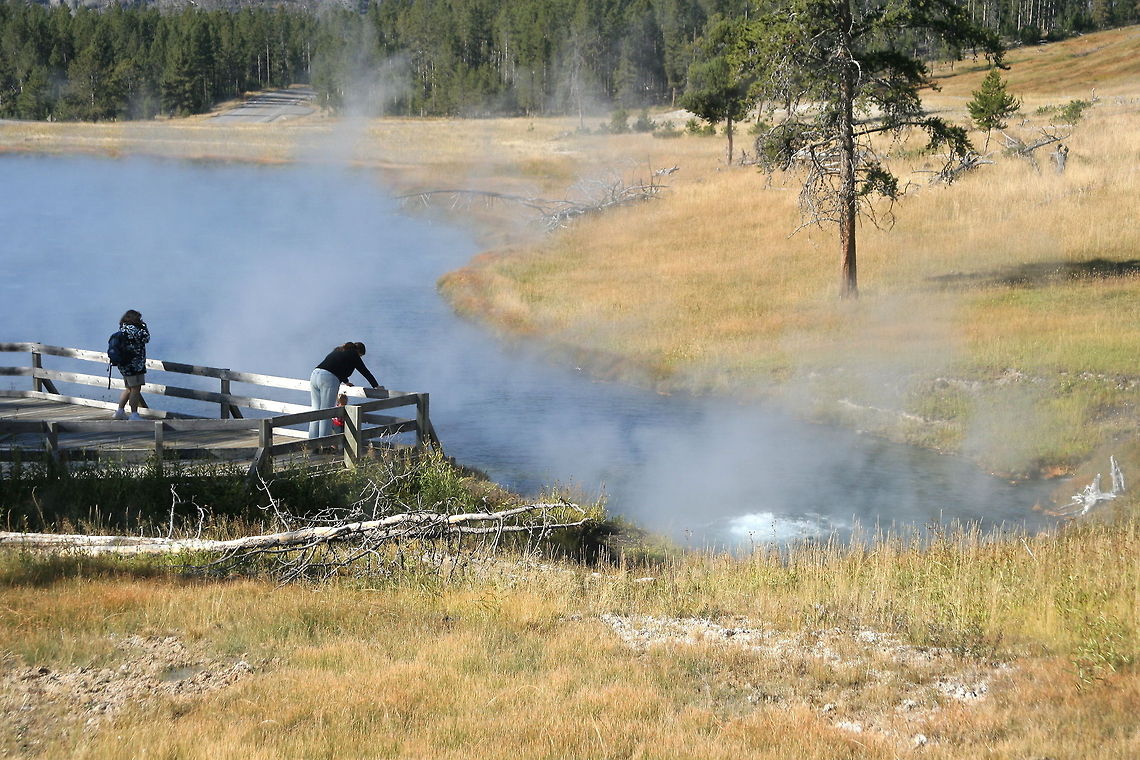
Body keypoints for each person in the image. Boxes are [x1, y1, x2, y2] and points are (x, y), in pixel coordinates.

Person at [309, 342, 379, 439]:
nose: (360, 358)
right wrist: (376, 386)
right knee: (327, 412)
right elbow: (365, 371)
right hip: (328, 379)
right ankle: (323, 444)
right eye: (361, 356)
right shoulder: (353, 354)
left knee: (316, 411)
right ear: (359, 352)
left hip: (315, 375)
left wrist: (346, 382)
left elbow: (337, 366)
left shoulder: (339, 350)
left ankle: (312, 442)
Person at [113, 309, 150, 421]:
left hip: (124, 365)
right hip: (135, 365)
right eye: (139, 318)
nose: (140, 320)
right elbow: (146, 338)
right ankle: (134, 415)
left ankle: (119, 411)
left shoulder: (123, 329)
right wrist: (144, 326)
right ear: (135, 319)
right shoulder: (137, 330)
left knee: (129, 388)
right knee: (135, 389)